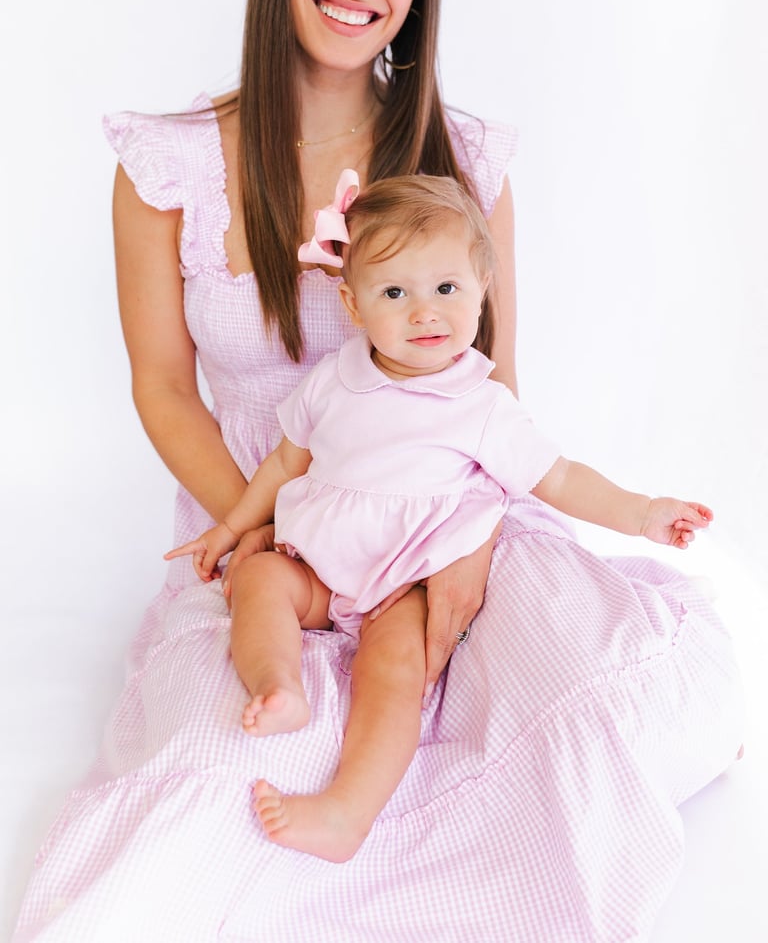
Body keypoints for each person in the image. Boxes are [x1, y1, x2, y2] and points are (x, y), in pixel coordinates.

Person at [13, 0, 742, 943]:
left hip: (444, 518)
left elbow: (494, 389)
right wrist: (260, 537)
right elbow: (164, 386)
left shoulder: (464, 161)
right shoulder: (167, 168)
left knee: (589, 695)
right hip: (272, 531)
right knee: (231, 784)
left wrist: (472, 550)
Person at [165, 172, 714, 865]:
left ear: (482, 291)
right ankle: (280, 685)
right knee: (256, 579)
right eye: (395, 293)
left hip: (405, 583)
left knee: (393, 668)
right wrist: (232, 527)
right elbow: (283, 466)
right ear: (354, 304)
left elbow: (562, 477)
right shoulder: (336, 379)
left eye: (446, 289)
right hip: (318, 565)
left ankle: (346, 812)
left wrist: (642, 513)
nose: (424, 312)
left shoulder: (482, 405)